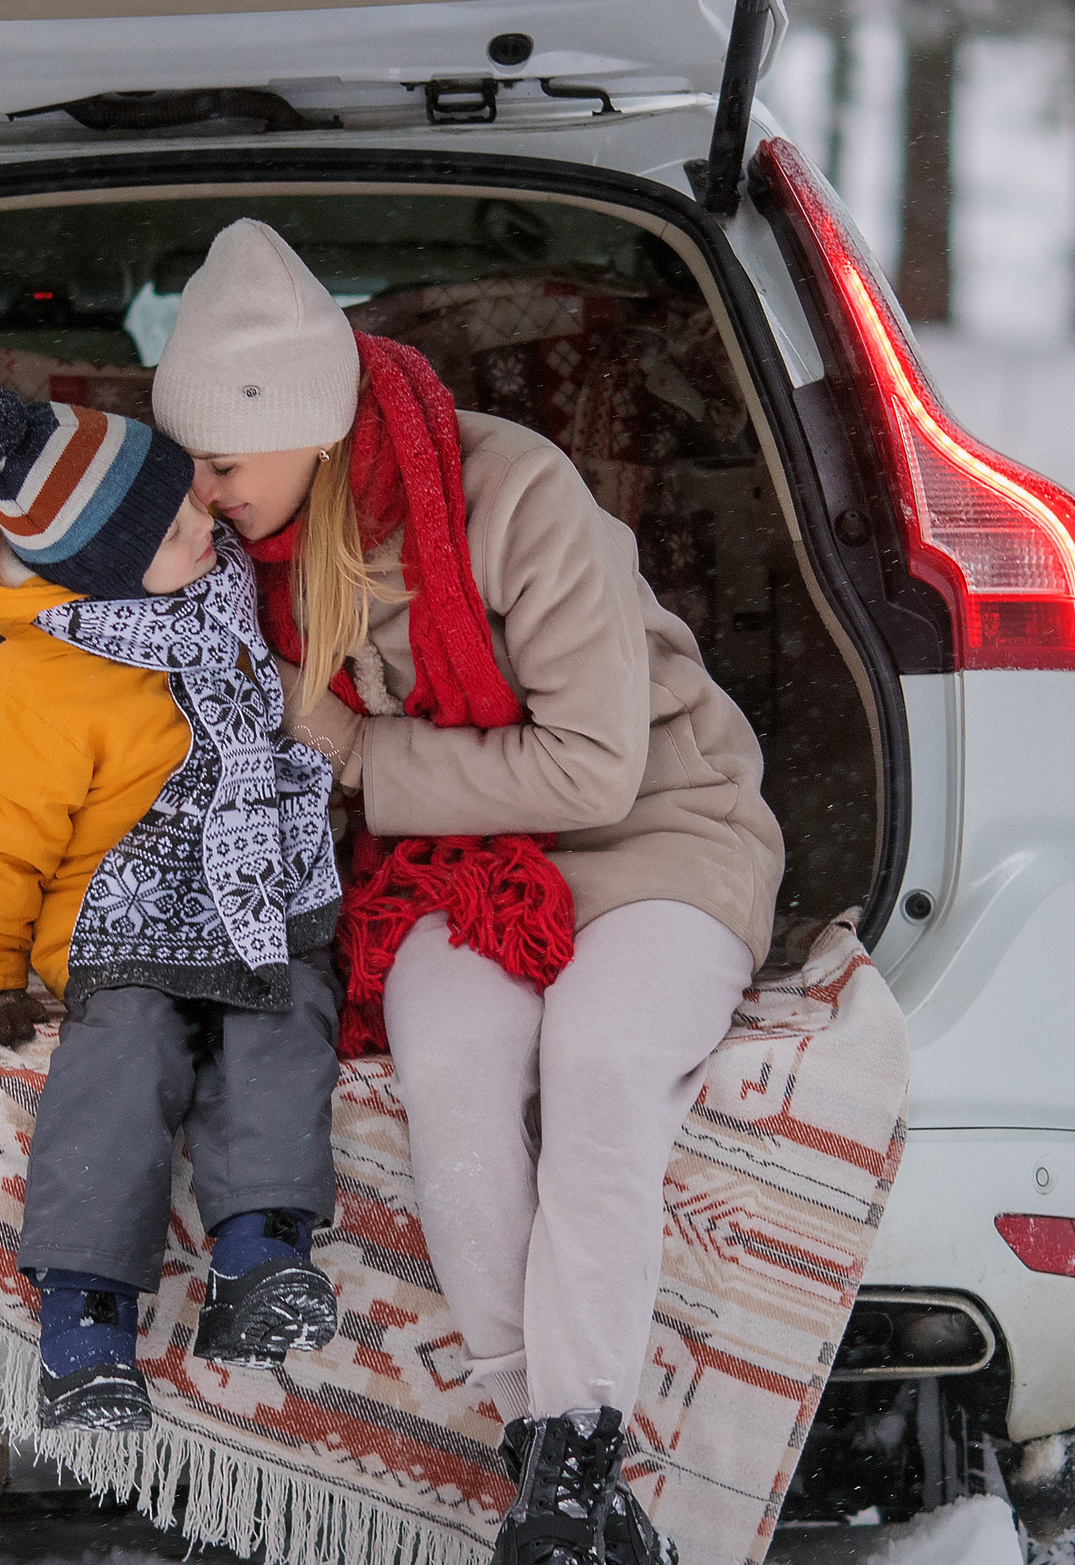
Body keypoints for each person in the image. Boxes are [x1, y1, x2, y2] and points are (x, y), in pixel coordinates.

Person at [151, 221, 787, 1565]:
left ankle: (578, 1445)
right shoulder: (246, 561)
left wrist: (357, 749)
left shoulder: (512, 496)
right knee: (448, 1068)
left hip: (657, 833)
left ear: (309, 428)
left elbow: (598, 767)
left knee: (605, 1062)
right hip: (462, 866)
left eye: (218, 465)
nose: (202, 498)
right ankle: (560, 1479)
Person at [0, 386, 344, 1433]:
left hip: (242, 886)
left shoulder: (216, 596)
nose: (210, 523)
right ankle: (85, 1317)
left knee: (283, 1012)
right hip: (116, 920)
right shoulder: (40, 685)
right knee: (126, 1052)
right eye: (174, 526)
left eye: (193, 503)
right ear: (104, 568)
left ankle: (259, 1252)